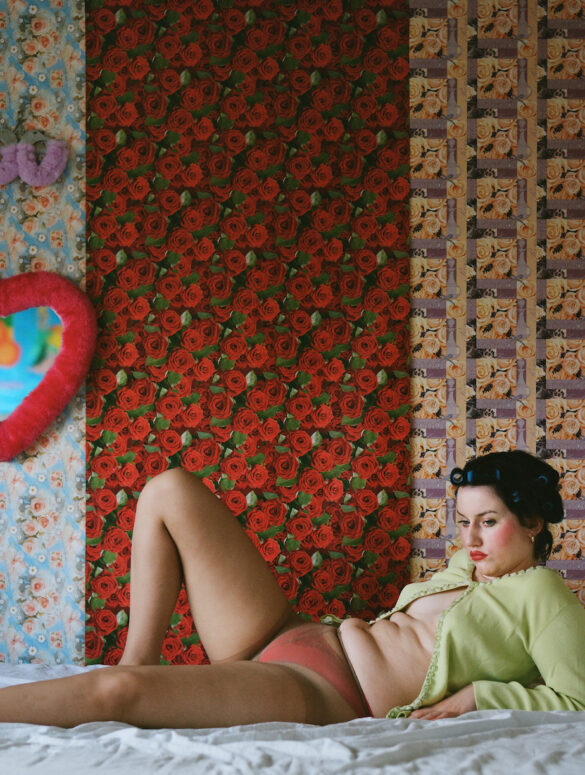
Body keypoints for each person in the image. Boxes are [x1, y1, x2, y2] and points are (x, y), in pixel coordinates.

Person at [0, 450, 584, 727]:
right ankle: (139, 657)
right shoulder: (468, 565)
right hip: (296, 631)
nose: (470, 538)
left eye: (488, 521)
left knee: (117, 693)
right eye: (463, 521)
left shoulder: (545, 596)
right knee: (169, 489)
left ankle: (127, 677)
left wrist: (480, 695)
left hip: (323, 689)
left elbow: (578, 701)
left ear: (533, 522)